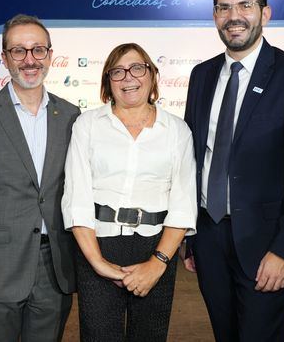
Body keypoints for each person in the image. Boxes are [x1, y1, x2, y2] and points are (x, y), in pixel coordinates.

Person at [183, 0, 284, 342]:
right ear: (215, 16)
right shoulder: (201, 76)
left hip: (266, 244)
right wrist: (189, 237)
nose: (234, 16)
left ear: (265, 13)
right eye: (223, 7)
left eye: (245, 5)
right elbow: (192, 161)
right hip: (209, 237)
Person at [0, 14, 80, 342]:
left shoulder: (72, 117)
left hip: (55, 270)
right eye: (19, 51)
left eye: (37, 50)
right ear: (5, 58)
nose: (30, 60)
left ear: (50, 55)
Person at [61, 43, 197, 342]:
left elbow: (183, 204)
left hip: (156, 248)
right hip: (97, 245)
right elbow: (77, 199)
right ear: (108, 82)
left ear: (152, 75)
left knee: (150, 336)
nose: (128, 78)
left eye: (137, 68)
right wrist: (97, 263)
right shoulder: (87, 125)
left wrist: (157, 262)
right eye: (117, 72)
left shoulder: (177, 131)